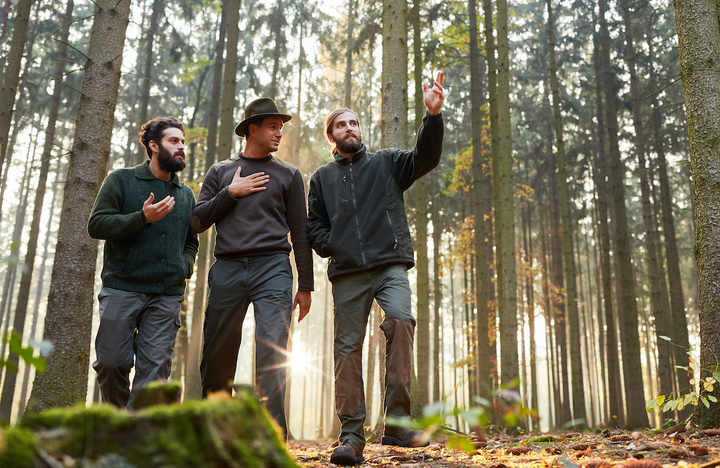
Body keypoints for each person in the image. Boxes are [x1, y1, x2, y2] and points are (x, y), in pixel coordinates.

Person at [307, 71, 445, 466]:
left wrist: (432, 117)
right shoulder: (321, 179)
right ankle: (351, 437)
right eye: (340, 124)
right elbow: (313, 225)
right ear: (331, 136)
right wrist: (335, 245)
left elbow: (425, 158)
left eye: (353, 122)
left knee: (401, 321)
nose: (349, 128)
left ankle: (398, 424)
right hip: (348, 274)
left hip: (389, 265)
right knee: (346, 351)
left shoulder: (387, 163)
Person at [191, 97, 313, 438]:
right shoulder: (220, 172)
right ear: (253, 129)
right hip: (227, 267)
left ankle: (271, 435)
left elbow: (300, 232)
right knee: (217, 352)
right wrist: (231, 192)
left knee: (273, 346)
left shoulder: (289, 174)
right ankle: (215, 433)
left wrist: (306, 285)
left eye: (281, 128)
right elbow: (198, 221)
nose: (279, 133)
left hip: (273, 266)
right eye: (273, 127)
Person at [88, 117, 198, 409]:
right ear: (153, 145)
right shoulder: (121, 180)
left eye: (183, 142)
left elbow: (191, 241)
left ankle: (135, 440)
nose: (182, 147)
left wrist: (184, 266)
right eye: (174, 141)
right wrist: (141, 219)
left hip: (166, 295)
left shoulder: (185, 195)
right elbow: (96, 225)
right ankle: (116, 424)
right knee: (111, 363)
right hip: (122, 288)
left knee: (153, 377)